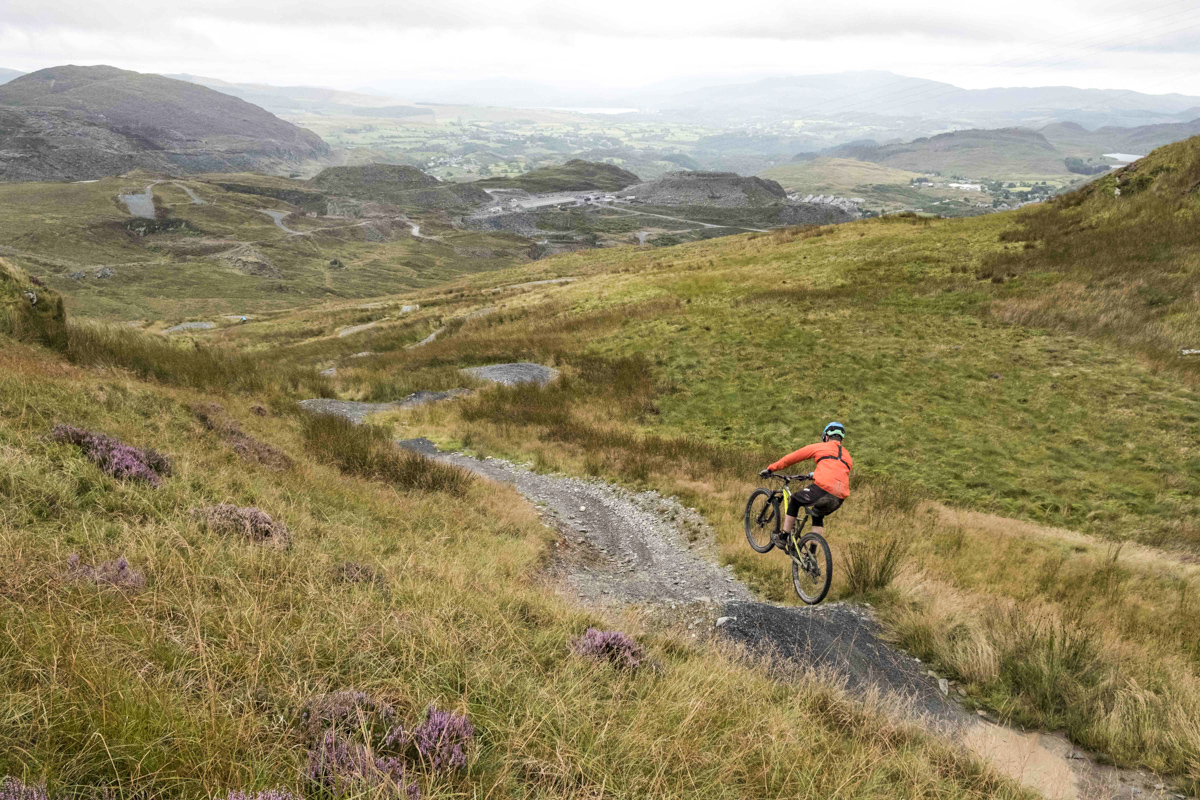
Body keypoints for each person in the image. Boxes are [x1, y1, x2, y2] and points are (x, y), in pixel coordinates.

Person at [759, 422, 852, 544]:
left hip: (824, 488)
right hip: (840, 496)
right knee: (817, 515)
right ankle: (811, 556)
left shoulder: (820, 447)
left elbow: (791, 458)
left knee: (795, 500)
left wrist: (771, 468)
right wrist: (813, 475)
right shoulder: (847, 456)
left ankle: (783, 537)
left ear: (826, 437)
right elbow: (836, 471)